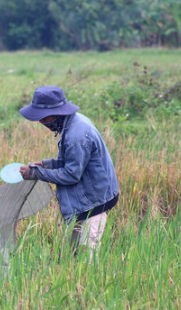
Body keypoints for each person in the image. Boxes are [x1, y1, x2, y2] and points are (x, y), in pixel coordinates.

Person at [18, 86, 119, 258]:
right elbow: (73, 162)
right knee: (75, 250)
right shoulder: (73, 122)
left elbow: (71, 175)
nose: (41, 122)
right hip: (87, 196)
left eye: (43, 118)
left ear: (57, 113)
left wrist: (36, 173)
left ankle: (88, 283)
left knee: (88, 253)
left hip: (94, 201)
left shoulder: (76, 135)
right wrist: (46, 164)